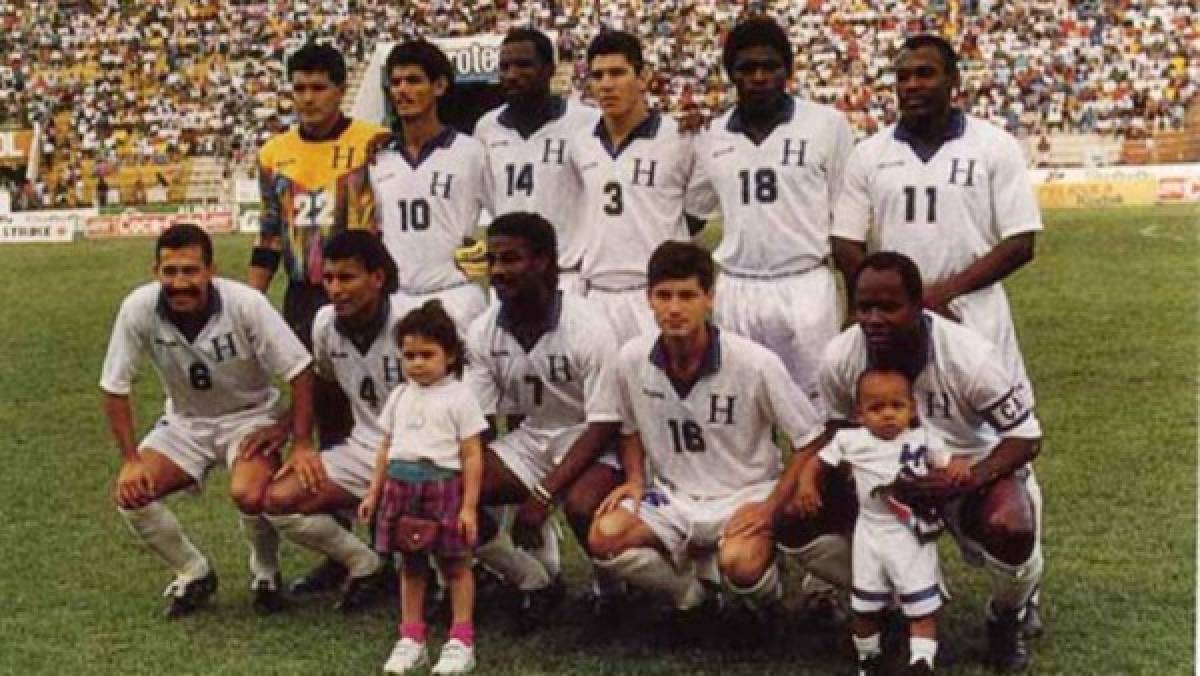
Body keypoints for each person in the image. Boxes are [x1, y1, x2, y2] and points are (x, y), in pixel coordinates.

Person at [793, 251, 1045, 672]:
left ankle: (1007, 616)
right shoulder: (840, 356)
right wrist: (834, 480)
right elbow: (839, 430)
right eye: (864, 307)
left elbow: (1026, 436)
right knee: (793, 522)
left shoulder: (970, 355)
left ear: (918, 304)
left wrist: (967, 479)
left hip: (967, 470)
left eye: (888, 307)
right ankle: (891, 598)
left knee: (1012, 528)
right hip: (884, 490)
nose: (873, 318)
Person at [588, 242, 825, 623]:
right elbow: (628, 427)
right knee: (606, 537)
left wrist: (770, 507)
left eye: (687, 295)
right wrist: (634, 479)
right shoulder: (631, 359)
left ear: (710, 298)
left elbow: (809, 439)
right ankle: (690, 596)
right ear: (648, 299)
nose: (675, 308)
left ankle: (767, 602)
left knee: (741, 565)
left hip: (744, 494)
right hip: (673, 497)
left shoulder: (755, 363)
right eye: (664, 296)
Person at [100, 224, 314, 618]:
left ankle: (265, 573)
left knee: (250, 493)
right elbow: (114, 387)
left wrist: (295, 439)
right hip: (185, 423)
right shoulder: (138, 308)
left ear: (210, 270)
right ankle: (193, 571)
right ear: (156, 272)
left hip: (249, 417)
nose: (180, 282)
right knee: (131, 494)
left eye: (190, 271)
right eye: (170, 272)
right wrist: (131, 459)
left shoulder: (245, 303)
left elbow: (301, 369)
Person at [831, 34, 1041, 414]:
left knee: (995, 426)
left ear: (953, 80)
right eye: (903, 76)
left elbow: (1020, 242)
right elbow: (845, 242)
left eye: (925, 74)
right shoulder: (869, 154)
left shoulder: (994, 145)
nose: (911, 85)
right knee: (898, 425)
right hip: (895, 318)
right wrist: (894, 299)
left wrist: (940, 294)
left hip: (972, 310)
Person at [249, 42, 388, 596]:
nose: (308, 98)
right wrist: (253, 302)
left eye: (319, 87)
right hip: (303, 296)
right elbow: (266, 236)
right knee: (325, 416)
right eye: (299, 88)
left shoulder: (370, 144)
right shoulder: (274, 153)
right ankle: (342, 551)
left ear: (339, 89)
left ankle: (389, 535)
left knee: (372, 408)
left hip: (363, 295)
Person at [464, 211, 623, 626]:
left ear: (545, 262)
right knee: (444, 491)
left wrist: (542, 495)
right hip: (532, 440)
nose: (498, 271)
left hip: (592, 440)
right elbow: (477, 425)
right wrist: (471, 484)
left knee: (582, 504)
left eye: (511, 259)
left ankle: (612, 591)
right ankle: (532, 579)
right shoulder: (483, 331)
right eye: (493, 261)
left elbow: (605, 421)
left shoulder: (588, 324)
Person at [689, 16, 854, 407]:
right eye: (747, 68)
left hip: (805, 286)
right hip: (736, 287)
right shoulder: (711, 135)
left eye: (770, 66)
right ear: (731, 75)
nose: (760, 77)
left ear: (788, 70)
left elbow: (849, 219)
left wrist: (856, 300)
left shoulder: (826, 125)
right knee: (741, 409)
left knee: (820, 409)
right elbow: (693, 211)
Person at [259, 231, 404, 611]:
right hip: (364, 449)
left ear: (378, 277)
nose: (336, 289)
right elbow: (323, 386)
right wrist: (294, 431)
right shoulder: (325, 323)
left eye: (347, 278)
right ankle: (365, 565)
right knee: (277, 499)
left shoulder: (413, 320)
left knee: (424, 532)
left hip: (419, 455)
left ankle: (517, 577)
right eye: (329, 278)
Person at [795, 368, 972, 675]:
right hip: (871, 531)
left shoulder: (923, 438)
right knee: (866, 602)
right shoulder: (851, 440)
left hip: (911, 531)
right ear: (860, 414)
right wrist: (807, 485)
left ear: (912, 408)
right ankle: (869, 657)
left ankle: (922, 661)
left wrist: (955, 467)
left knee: (921, 602)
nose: (888, 415)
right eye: (877, 409)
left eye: (896, 406)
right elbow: (818, 462)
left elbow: (949, 462)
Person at [360, 301, 486, 675]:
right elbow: (386, 446)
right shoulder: (400, 395)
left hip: (442, 487)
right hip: (401, 487)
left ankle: (461, 639)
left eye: (427, 354)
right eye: (409, 355)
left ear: (449, 355)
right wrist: (373, 492)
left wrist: (468, 506)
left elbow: (472, 455)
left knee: (456, 565)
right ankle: (411, 637)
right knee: (410, 565)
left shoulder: (460, 397)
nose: (417, 363)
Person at [569, 30, 705, 343]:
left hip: (656, 294)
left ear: (642, 77)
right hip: (597, 294)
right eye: (598, 75)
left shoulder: (681, 137)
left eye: (617, 73)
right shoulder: (581, 144)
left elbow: (698, 212)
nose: (606, 84)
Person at [366, 39, 489, 331]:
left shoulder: (471, 152)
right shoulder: (378, 159)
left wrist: (488, 252)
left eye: (413, 80)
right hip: (397, 299)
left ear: (439, 86)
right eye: (395, 82)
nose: (402, 90)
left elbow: (504, 216)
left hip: (456, 295)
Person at [474, 28, 600, 295]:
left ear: (549, 70)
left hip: (566, 276)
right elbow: (489, 197)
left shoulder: (585, 122)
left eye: (523, 65)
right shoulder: (486, 128)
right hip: (509, 280)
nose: (511, 75)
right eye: (505, 67)